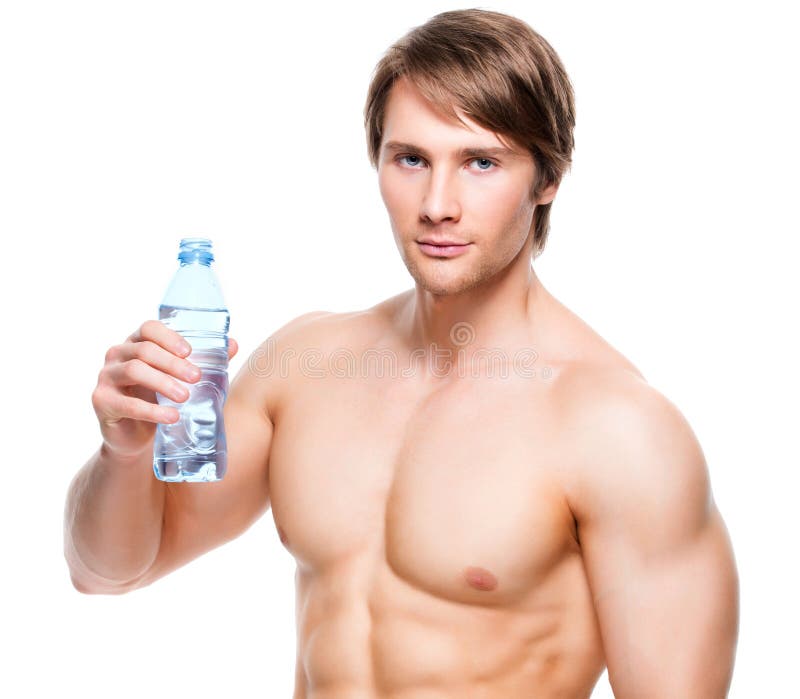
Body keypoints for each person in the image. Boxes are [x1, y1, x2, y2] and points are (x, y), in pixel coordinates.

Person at [63, 8, 739, 697]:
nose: (437, 204)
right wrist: (124, 450)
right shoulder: (306, 367)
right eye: (411, 159)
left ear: (547, 178)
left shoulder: (620, 431)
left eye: (481, 161)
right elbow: (107, 571)